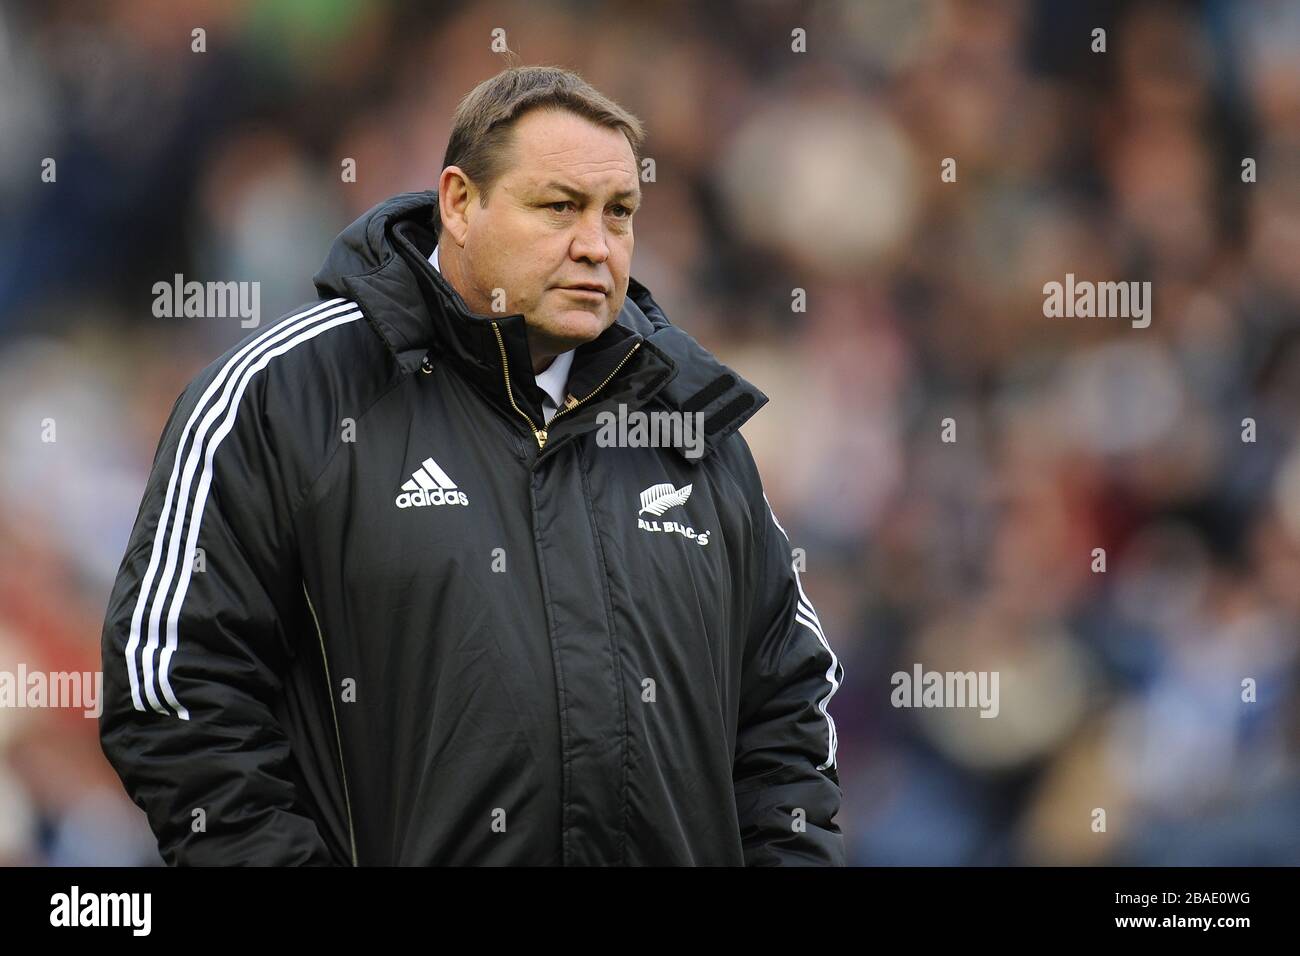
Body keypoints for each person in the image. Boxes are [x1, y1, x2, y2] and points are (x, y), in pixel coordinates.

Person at [99, 65, 845, 865]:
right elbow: (172, 686)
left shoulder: (692, 425)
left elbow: (790, 709)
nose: (595, 245)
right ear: (459, 203)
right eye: (559, 207)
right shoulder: (283, 399)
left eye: (619, 213)